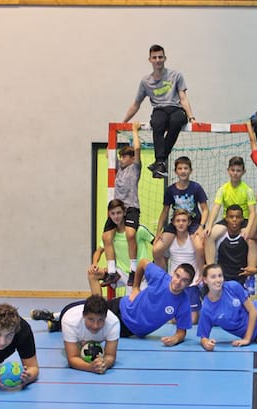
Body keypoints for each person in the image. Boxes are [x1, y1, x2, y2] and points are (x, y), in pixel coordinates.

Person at [122, 44, 197, 179]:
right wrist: (123, 122)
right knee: (158, 122)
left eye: (160, 57)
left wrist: (191, 117)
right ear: (150, 60)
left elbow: (183, 97)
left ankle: (159, 161)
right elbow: (136, 104)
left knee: (177, 121)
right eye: (154, 57)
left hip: (176, 108)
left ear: (165, 58)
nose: (158, 60)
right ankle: (161, 161)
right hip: (159, 109)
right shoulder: (145, 81)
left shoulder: (176, 75)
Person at [107, 258, 195, 346]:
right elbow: (142, 263)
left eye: (184, 280)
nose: (178, 282)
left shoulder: (184, 303)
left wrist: (175, 339)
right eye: (177, 276)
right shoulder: (159, 277)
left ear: (189, 283)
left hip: (128, 330)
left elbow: (181, 332)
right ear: (173, 273)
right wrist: (135, 287)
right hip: (118, 307)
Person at [33, 295, 119, 375]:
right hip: (70, 309)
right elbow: (72, 358)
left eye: (100, 320)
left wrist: (104, 364)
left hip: (81, 318)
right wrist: (91, 367)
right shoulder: (70, 321)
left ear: (106, 317)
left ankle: (54, 326)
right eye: (91, 320)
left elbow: (110, 356)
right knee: (62, 324)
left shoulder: (113, 323)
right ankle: (51, 316)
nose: (95, 326)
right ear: (84, 316)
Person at [101, 122, 142, 287]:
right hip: (116, 209)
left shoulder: (134, 168)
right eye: (121, 156)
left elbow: (137, 149)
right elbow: (107, 154)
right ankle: (112, 272)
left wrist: (133, 130)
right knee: (106, 237)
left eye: (125, 156)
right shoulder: (118, 168)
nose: (122, 159)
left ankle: (133, 269)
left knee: (130, 234)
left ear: (131, 159)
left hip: (131, 208)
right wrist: (112, 135)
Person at [153, 156, 208, 271]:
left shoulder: (196, 187)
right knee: (156, 250)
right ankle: (163, 276)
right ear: (175, 171)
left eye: (186, 168)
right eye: (180, 168)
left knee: (199, 248)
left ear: (190, 170)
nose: (183, 171)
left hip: (193, 224)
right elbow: (165, 212)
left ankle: (200, 276)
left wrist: (201, 227)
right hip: (176, 224)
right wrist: (158, 232)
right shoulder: (171, 190)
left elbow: (205, 209)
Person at [89, 199, 154, 295]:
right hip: (119, 274)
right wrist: (94, 263)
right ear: (109, 215)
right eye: (113, 213)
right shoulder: (109, 235)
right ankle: (98, 307)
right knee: (92, 274)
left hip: (138, 274)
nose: (116, 216)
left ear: (124, 213)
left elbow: (156, 243)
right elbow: (99, 251)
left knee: (133, 304)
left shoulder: (138, 230)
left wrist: (152, 265)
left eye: (119, 213)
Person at [204, 156, 257, 265]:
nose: (235, 173)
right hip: (227, 220)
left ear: (244, 172)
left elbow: (252, 212)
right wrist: (209, 225)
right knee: (209, 235)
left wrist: (248, 228)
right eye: (233, 170)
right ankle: (210, 267)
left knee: (251, 238)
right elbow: (216, 208)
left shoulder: (248, 190)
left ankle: (250, 272)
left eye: (238, 170)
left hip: (243, 221)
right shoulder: (222, 189)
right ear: (228, 171)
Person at [161, 209, 202, 324]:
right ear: (173, 223)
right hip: (174, 283)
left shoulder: (194, 239)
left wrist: (201, 274)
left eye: (184, 220)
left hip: (191, 283)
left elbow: (201, 257)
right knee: (171, 319)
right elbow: (164, 258)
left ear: (189, 223)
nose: (181, 223)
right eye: (178, 220)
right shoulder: (170, 240)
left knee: (193, 320)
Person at [215, 205, 257, 291]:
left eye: (238, 217)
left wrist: (255, 270)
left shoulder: (248, 240)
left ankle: (249, 280)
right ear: (226, 219)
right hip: (222, 281)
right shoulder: (219, 238)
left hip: (242, 281)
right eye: (231, 217)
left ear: (242, 219)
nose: (234, 220)